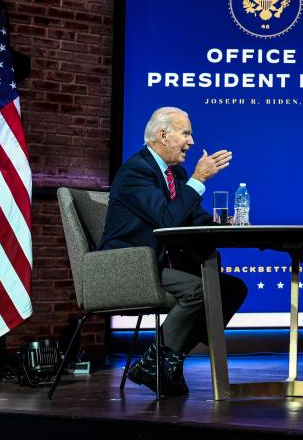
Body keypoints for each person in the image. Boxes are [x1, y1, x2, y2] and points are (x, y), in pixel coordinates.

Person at [100, 107, 248, 396]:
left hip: (160, 264)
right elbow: (168, 219)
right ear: (164, 135)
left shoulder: (174, 173)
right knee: (199, 290)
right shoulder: (136, 171)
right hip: (130, 265)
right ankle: (158, 362)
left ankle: (162, 361)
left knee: (231, 288)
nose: (191, 142)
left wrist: (224, 224)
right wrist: (198, 180)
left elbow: (193, 218)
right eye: (186, 133)